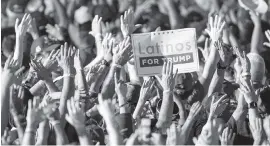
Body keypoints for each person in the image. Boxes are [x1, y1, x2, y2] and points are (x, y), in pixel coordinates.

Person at [1, 0, 270, 145]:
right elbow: (90, 96)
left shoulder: (194, 94)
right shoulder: (185, 101)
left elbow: (212, 74)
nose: (179, 76)